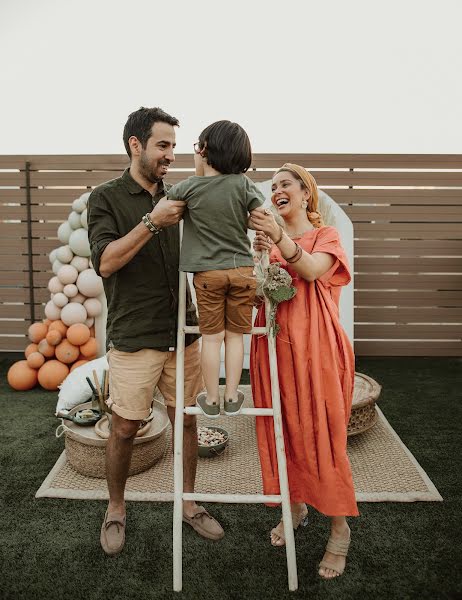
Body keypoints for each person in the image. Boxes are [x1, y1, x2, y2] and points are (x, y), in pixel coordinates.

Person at [87, 107, 224, 557]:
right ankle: (116, 508)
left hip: (183, 331)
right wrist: (152, 222)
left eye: (173, 147)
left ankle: (188, 503)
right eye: (162, 145)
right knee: (125, 427)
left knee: (186, 421)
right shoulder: (106, 198)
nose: (170, 155)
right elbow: (105, 262)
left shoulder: (182, 194)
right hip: (135, 334)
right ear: (135, 145)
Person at [249, 163, 359, 580]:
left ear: (305, 193)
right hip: (273, 349)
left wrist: (278, 238)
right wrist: (260, 258)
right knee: (281, 431)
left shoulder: (326, 236)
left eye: (285, 184)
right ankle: (294, 508)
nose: (277, 190)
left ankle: (339, 529)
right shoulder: (266, 243)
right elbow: (258, 293)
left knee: (323, 435)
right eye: (273, 185)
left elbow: (312, 271)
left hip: (318, 351)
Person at [166, 120, 265, 418]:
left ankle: (211, 398)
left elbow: (168, 203)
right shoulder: (243, 185)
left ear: (204, 150)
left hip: (207, 275)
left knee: (212, 339)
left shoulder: (189, 187)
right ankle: (233, 396)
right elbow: (259, 215)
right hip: (242, 272)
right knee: (235, 337)